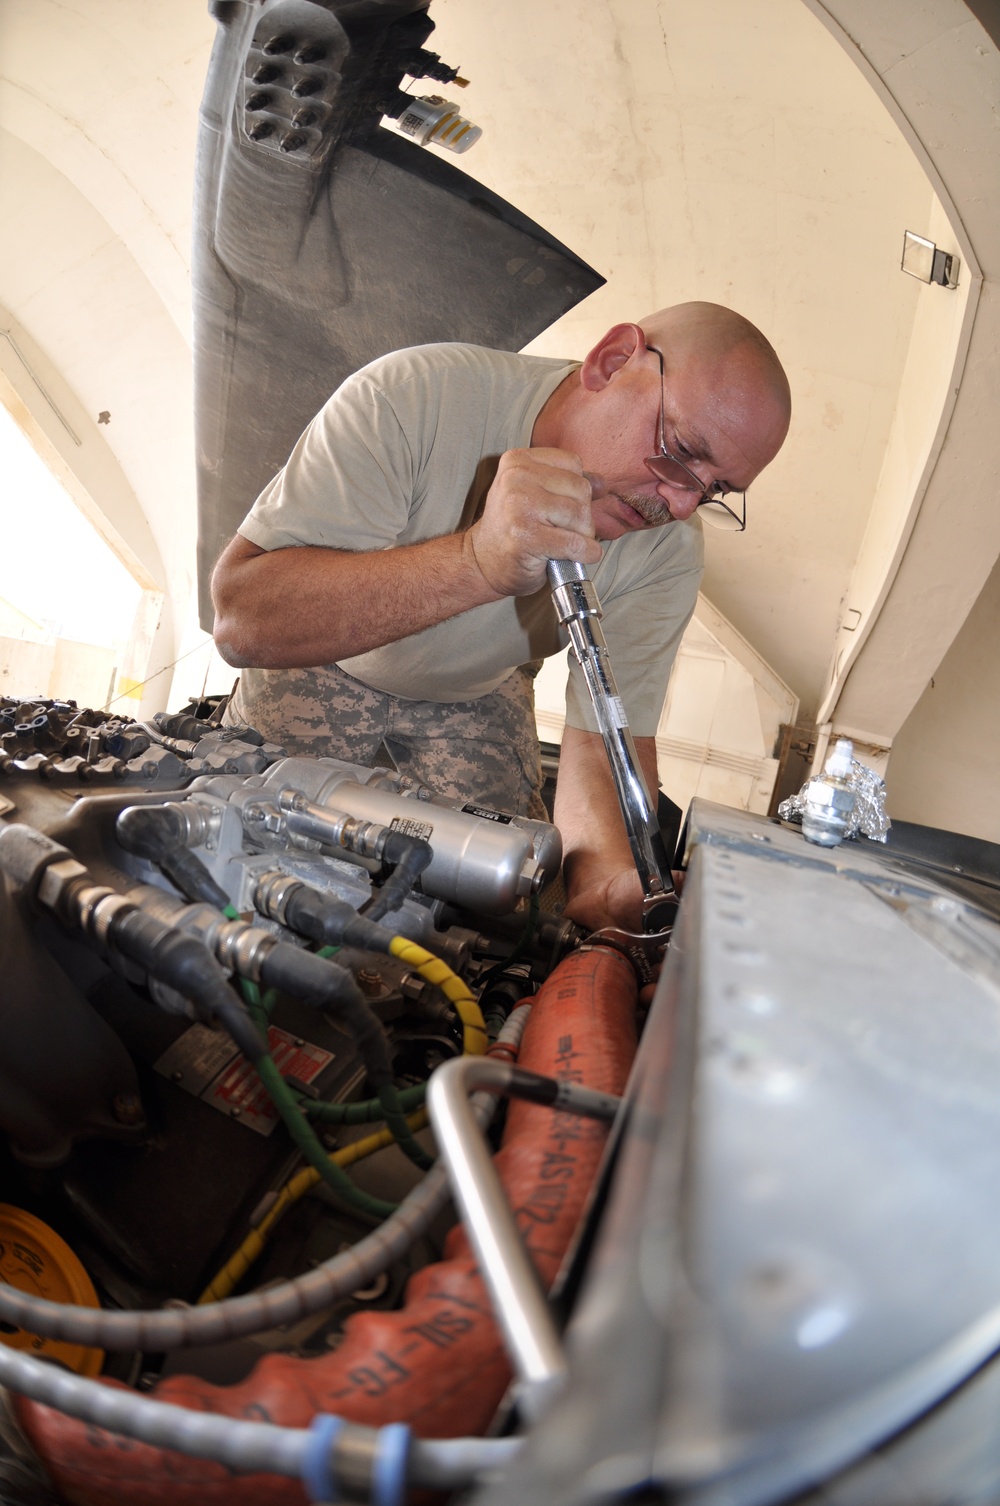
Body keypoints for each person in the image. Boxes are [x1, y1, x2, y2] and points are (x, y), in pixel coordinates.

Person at [211, 302, 791, 932]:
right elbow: (244, 621)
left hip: (477, 695)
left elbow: (602, 739)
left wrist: (609, 888)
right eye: (681, 450)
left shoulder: (669, 553)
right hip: (318, 661)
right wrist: (475, 563)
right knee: (231, 849)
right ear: (613, 360)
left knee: (507, 905)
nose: (680, 505)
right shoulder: (415, 397)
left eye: (714, 491)